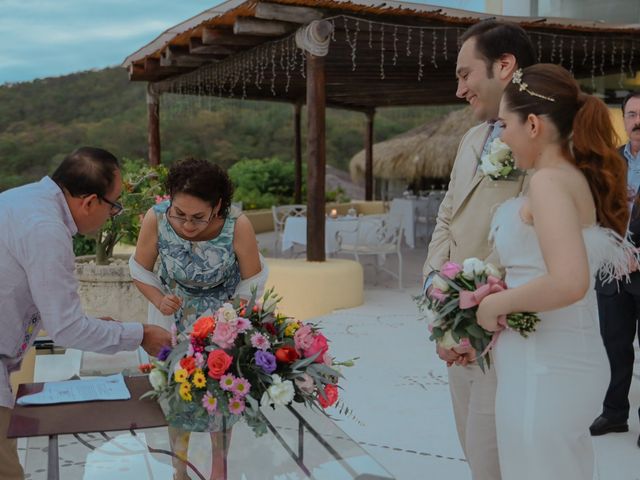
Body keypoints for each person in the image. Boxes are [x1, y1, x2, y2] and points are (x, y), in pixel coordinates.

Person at [477, 64, 631, 479]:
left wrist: (492, 305)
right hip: (556, 359)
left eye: (505, 124)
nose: (501, 136)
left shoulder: (549, 182)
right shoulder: (568, 177)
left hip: (544, 367)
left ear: (532, 124)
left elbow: (569, 280)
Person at [0, 146, 172, 480]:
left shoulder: (21, 199)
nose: (114, 214)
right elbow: (67, 328)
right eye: (114, 204)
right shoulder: (47, 228)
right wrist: (142, 334)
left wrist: (90, 326)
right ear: (90, 201)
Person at [422, 20, 535, 480]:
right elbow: (447, 215)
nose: (459, 89)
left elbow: (534, 238)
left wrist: (475, 306)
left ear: (504, 66)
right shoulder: (470, 139)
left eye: (465, 74)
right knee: (473, 451)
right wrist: (438, 291)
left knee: (499, 460)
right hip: (454, 318)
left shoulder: (540, 139)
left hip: (502, 328)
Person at [130, 157, 267, 480]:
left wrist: (230, 321)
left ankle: (219, 471)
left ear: (217, 206)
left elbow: (252, 281)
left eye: (198, 217)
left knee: (221, 396)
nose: (187, 225)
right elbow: (139, 269)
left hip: (226, 319)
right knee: (177, 395)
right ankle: (180, 472)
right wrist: (159, 299)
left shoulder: (238, 224)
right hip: (174, 319)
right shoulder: (157, 218)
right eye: (179, 214)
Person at [590, 90, 640, 448]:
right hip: (612, 273)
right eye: (633, 114)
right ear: (623, 120)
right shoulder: (608, 164)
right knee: (615, 345)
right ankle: (615, 413)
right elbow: (596, 213)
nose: (638, 120)